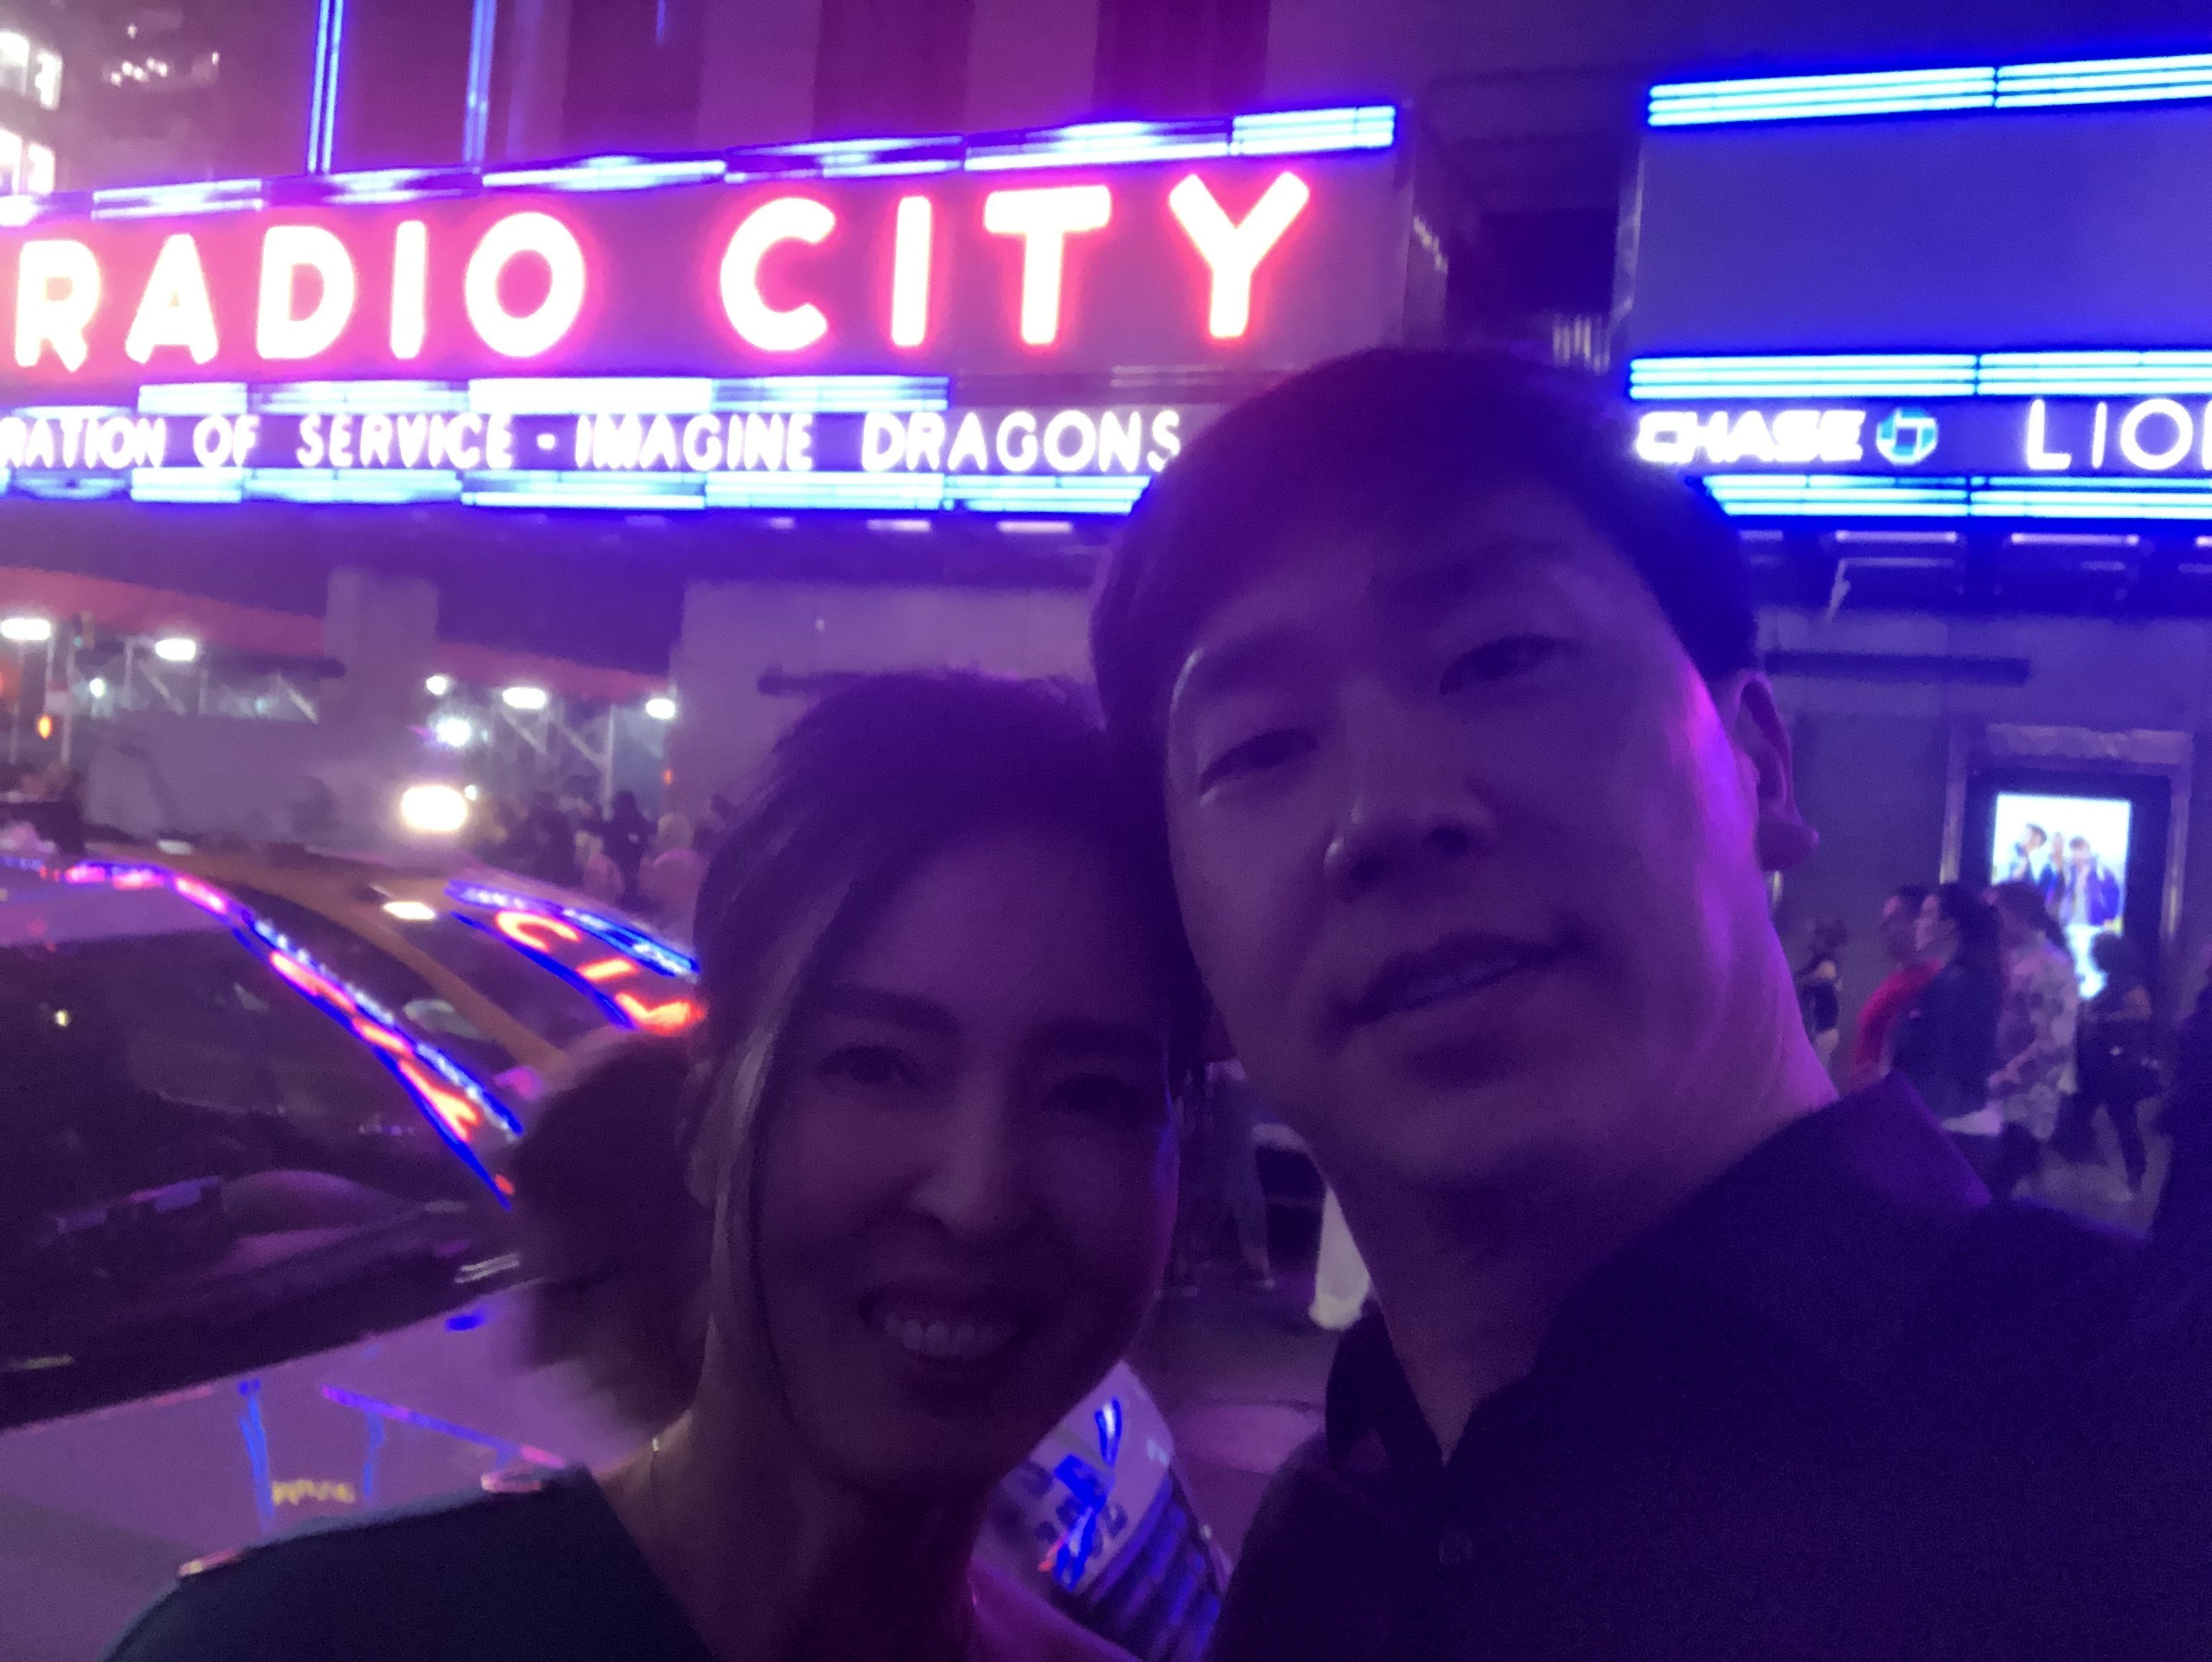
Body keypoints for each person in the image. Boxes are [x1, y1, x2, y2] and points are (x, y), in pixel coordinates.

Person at [1089, 347, 2212, 1660]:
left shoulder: (2145, 1443)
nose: (1385, 813)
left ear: (1759, 763)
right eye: (1260, 747)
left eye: (1500, 657)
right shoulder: (1317, 1568)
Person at [102, 673, 1206, 1662]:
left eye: (1094, 1095)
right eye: (875, 1066)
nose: (980, 1199)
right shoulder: (302, 1646)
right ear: (710, 1114)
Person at [1890, 883, 2004, 1180]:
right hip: (1964, 1124)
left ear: (1949, 926)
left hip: (1948, 1129)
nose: (1918, 923)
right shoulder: (1972, 977)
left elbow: (1936, 1064)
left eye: (1927, 915)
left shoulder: (1954, 984)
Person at [1987, 879, 2080, 1198]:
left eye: (1994, 912)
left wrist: (2005, 1078)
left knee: (2002, 1196)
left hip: (2022, 1104)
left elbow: (2054, 1042)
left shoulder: (2050, 965)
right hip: (1992, 1098)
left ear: (2015, 914)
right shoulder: (2002, 958)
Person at [2057, 932, 2157, 1191]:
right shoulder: (2116, 981)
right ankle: (2128, 1168)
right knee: (2104, 1114)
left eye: (2096, 954)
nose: (2092, 958)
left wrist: (2102, 1020)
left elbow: (2143, 1013)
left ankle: (2132, 1169)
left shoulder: (2127, 982)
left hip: (2113, 1064)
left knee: (2115, 1116)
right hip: (2103, 1063)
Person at [1847, 883, 1936, 1090]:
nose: (1882, 928)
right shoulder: (1899, 976)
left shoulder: (1930, 983)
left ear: (1917, 923)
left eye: (1892, 920)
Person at [638, 812, 708, 934]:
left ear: (665, 836)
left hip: (668, 927)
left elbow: (652, 896)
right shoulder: (699, 862)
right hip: (692, 924)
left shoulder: (663, 862)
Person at [1792, 918, 1847, 1067]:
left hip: (1823, 1031)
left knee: (1815, 1069)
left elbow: (1824, 976)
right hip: (1818, 1030)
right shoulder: (1817, 961)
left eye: (1817, 936)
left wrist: (1800, 981)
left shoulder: (1828, 962)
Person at [595, 789, 655, 908]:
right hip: (637, 877)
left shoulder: (613, 825)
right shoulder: (642, 823)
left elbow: (596, 828)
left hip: (615, 877)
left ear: (616, 805)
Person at [2054, 834, 2123, 931]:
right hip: (2070, 924)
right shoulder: (2068, 872)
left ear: (2088, 851)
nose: (2077, 854)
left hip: (2096, 925)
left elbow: (2114, 895)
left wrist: (2109, 918)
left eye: (2081, 849)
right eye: (2074, 850)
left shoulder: (2102, 872)